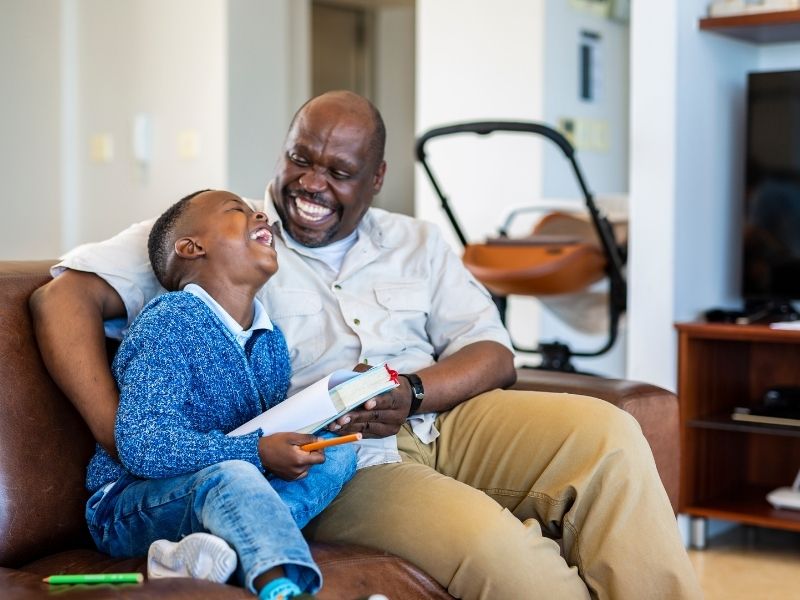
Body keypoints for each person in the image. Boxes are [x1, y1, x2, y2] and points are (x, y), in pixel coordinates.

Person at [31, 90, 702, 599]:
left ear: (376, 178)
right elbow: (61, 298)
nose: (312, 183)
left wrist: (412, 393)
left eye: (340, 171)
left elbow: (493, 352)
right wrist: (123, 437)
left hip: (443, 417)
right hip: (338, 459)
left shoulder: (415, 240)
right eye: (301, 158)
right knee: (496, 547)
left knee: (610, 437)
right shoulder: (221, 229)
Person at [84, 188, 357, 599]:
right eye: (239, 211)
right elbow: (143, 444)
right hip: (128, 506)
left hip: (224, 487)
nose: (262, 216)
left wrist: (312, 427)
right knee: (234, 475)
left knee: (339, 452)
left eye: (258, 212)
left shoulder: (271, 341)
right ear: (192, 248)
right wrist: (258, 452)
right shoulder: (170, 322)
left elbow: (259, 430)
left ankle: (202, 554)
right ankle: (284, 587)